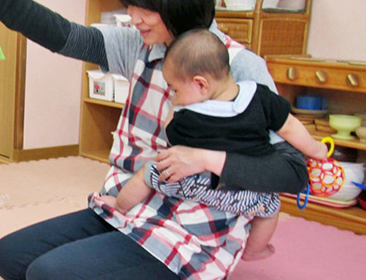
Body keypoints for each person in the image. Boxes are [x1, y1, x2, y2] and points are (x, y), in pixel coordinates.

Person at [0, 0, 309, 280]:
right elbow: (67, 36)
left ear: (180, 0)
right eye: (130, 5)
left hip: (189, 233)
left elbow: (291, 171)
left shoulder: (238, 68)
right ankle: (120, 255)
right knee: (10, 258)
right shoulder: (142, 46)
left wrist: (207, 159)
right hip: (127, 206)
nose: (134, 17)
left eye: (146, 8)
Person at [97, 28, 328, 261]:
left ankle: (119, 205)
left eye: (176, 89)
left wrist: (175, 109)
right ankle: (254, 250)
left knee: (148, 173)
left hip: (189, 185)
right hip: (243, 192)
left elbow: (171, 134)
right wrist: (316, 150)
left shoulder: (188, 116)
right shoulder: (261, 97)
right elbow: (289, 127)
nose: (173, 95)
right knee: (271, 206)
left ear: (201, 85)